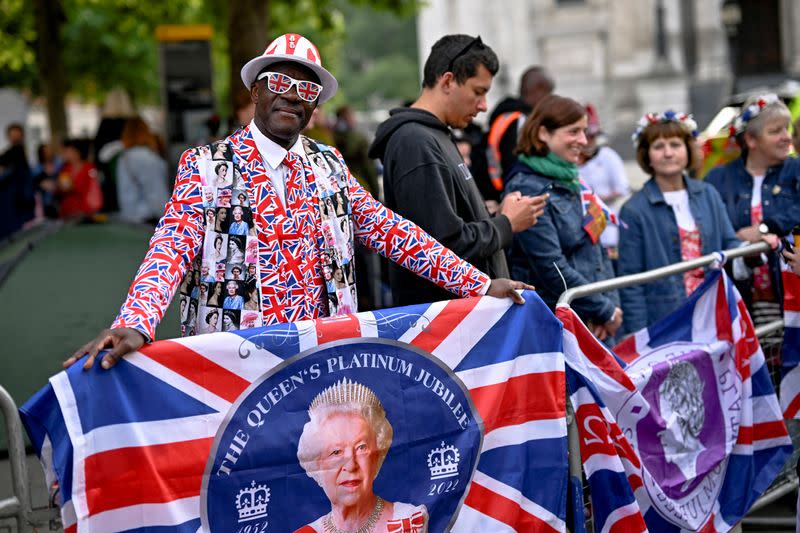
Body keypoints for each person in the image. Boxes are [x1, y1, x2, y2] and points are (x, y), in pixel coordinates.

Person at [68, 33, 529, 370]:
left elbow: (395, 233)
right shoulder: (206, 165)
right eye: (278, 82)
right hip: (235, 369)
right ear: (255, 91)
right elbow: (170, 248)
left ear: (314, 109)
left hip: (322, 364)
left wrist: (477, 283)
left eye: (306, 90)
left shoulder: (329, 164)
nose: (291, 95)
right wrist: (137, 321)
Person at [369, 34, 546, 307]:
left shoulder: (435, 134)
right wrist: (505, 224)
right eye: (478, 91)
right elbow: (442, 249)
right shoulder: (415, 143)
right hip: (447, 327)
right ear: (448, 81)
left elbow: (451, 226)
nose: (484, 105)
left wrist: (499, 215)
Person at [505, 94, 622, 341]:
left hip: (592, 320)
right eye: (573, 132)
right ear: (543, 133)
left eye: (583, 131)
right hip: (561, 326)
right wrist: (603, 309)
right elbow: (551, 266)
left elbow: (597, 250)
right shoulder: (527, 189)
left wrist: (608, 307)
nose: (583, 140)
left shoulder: (571, 179)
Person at [617, 111, 742, 334]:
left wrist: (755, 248)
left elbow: (730, 245)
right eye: (658, 146)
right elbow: (631, 283)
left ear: (687, 150)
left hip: (713, 312)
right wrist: (639, 337)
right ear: (647, 155)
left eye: (675, 144)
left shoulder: (708, 194)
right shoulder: (633, 211)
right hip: (666, 322)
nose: (668, 153)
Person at [705, 94, 800, 324]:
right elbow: (710, 228)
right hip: (740, 300)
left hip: (790, 297)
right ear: (751, 139)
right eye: (775, 131)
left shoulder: (796, 169)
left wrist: (766, 227)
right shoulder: (718, 178)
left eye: (786, 129)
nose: (787, 138)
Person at [295, 378, 428, 532]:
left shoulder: (408, 521)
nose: (351, 465)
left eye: (361, 448)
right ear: (317, 466)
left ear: (377, 457)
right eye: (336, 452)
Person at [475, 65, 554, 201]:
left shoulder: (506, 115)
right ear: (538, 89)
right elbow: (513, 164)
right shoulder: (520, 121)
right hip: (506, 196)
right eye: (548, 93)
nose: (549, 100)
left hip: (495, 192)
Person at [578, 104, 629, 261]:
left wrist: (593, 199)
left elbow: (622, 189)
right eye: (587, 136)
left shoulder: (607, 156)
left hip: (608, 229)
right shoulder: (569, 161)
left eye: (593, 136)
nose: (589, 141)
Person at [116, 117, 170, 224]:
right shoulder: (147, 158)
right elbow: (156, 192)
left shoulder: (124, 157)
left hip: (130, 216)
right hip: (148, 217)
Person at [0, 123, 33, 238]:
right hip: (10, 199)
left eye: (17, 135)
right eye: (13, 135)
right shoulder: (11, 154)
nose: (15, 137)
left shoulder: (18, 153)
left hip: (18, 199)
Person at [57, 138, 102, 220]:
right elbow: (60, 189)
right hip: (68, 212)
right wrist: (59, 187)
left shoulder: (89, 168)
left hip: (86, 212)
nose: (64, 154)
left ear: (76, 152)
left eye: (67, 151)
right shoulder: (65, 168)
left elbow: (91, 187)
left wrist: (71, 187)